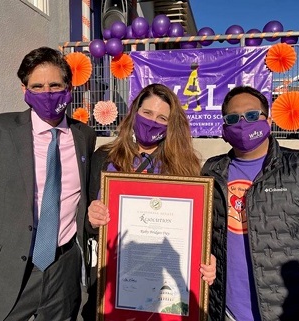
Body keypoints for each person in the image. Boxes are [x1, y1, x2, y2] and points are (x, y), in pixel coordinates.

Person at [0, 46, 96, 321]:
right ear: (24, 89)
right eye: (37, 86)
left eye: (55, 85)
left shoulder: (84, 136)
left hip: (62, 273)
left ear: (69, 87)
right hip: (3, 275)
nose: (47, 93)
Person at [202, 86, 299, 321]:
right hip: (224, 312)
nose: (243, 123)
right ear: (224, 127)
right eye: (233, 118)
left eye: (253, 115)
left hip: (292, 312)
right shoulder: (211, 172)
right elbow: (204, 233)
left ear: (269, 119)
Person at [82, 83, 216, 319]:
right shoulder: (104, 159)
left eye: (162, 118)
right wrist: (92, 218)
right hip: (115, 280)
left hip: (165, 289)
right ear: (134, 112)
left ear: (171, 126)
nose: (153, 121)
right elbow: (88, 228)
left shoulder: (185, 169)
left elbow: (196, 233)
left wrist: (205, 259)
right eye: (147, 113)